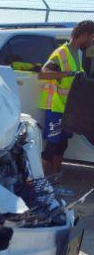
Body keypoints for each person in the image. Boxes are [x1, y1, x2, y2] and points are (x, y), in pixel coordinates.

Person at [38, 20, 94, 175]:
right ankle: (40, 183)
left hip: (69, 108)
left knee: (62, 145)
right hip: (56, 106)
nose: (91, 42)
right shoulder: (61, 53)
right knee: (52, 146)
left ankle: (55, 179)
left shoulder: (78, 53)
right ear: (85, 35)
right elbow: (43, 73)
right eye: (91, 38)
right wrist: (67, 74)